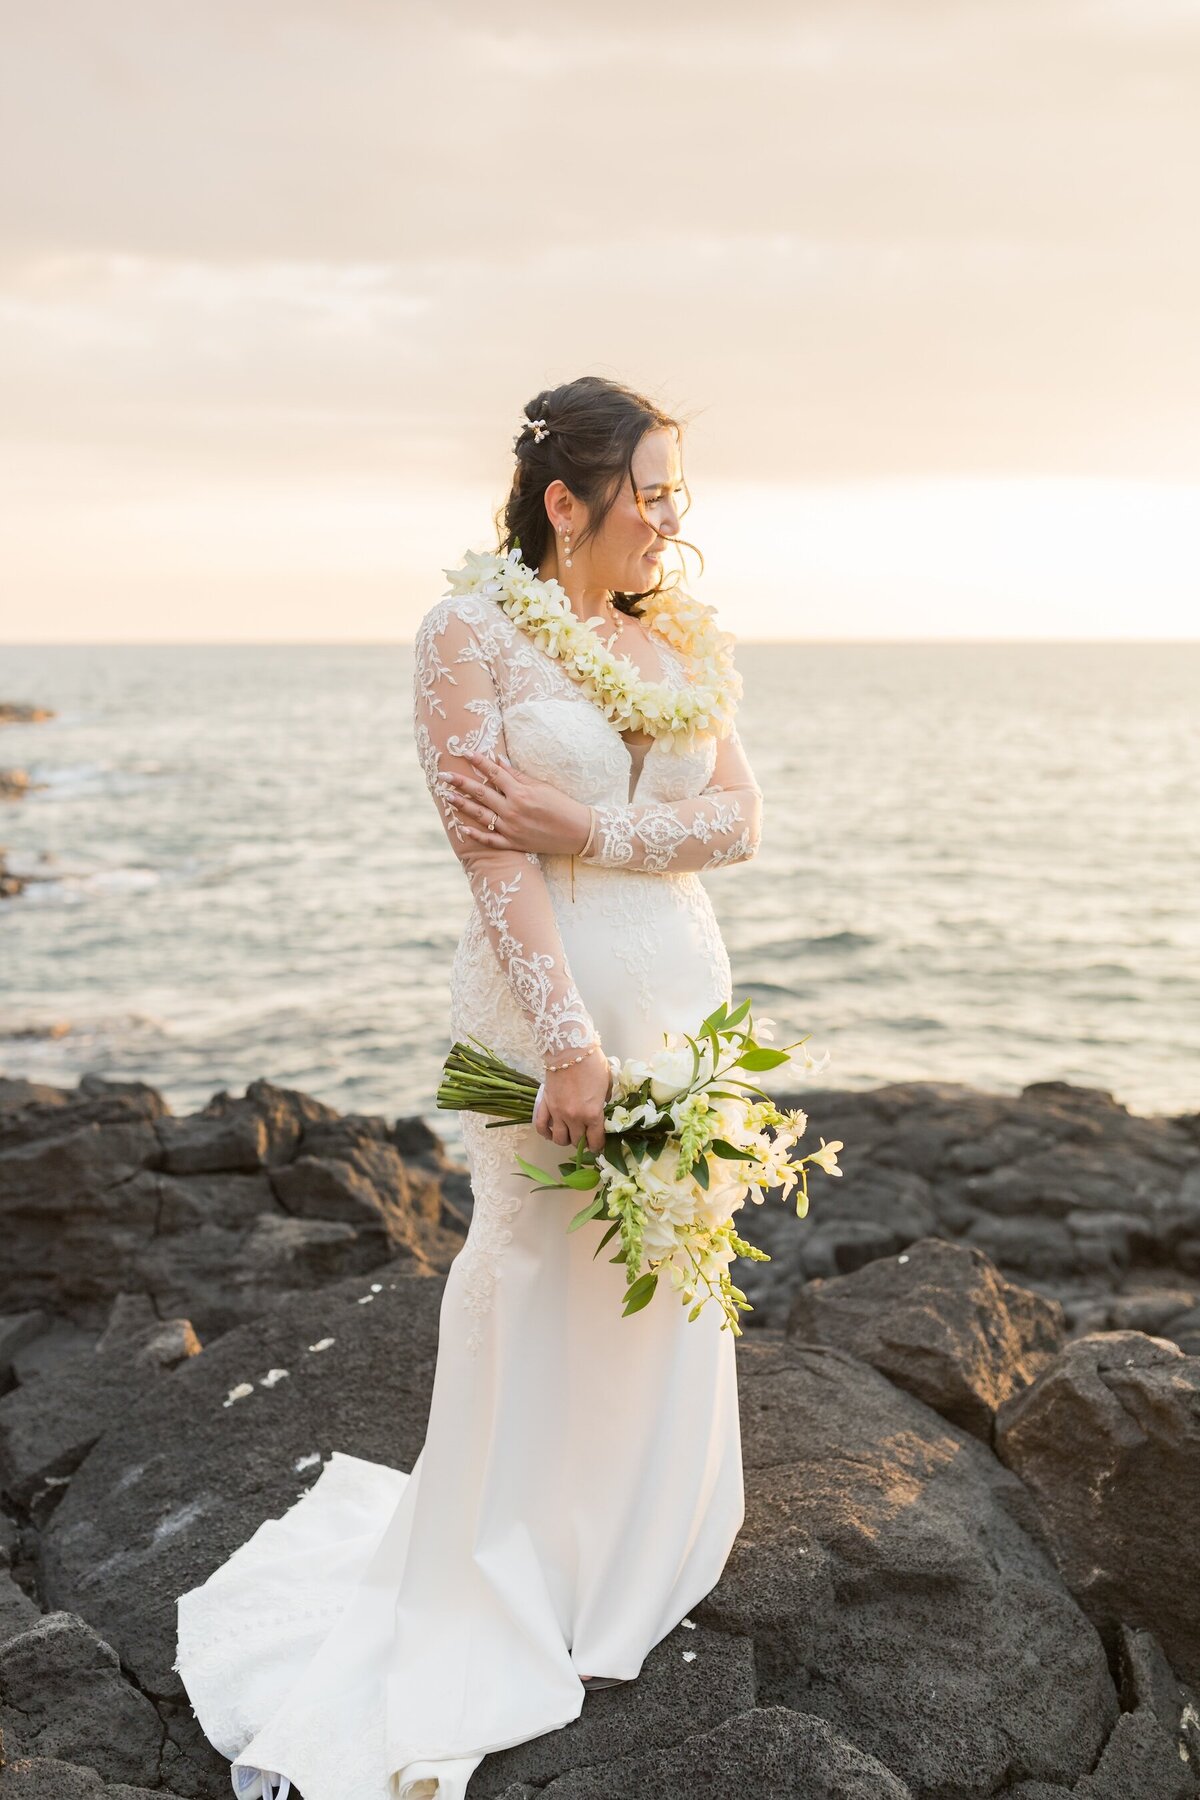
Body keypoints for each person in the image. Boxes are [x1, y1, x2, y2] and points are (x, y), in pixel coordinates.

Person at [173, 374, 764, 1800]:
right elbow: (492, 855)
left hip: (682, 993)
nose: (674, 517)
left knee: (668, 1271)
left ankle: (641, 1542)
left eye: (682, 486)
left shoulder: (679, 632)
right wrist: (567, 1040)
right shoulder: (466, 635)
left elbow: (736, 822)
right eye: (652, 489)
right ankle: (508, 1556)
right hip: (549, 1006)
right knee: (541, 1257)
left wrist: (595, 822)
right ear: (568, 501)